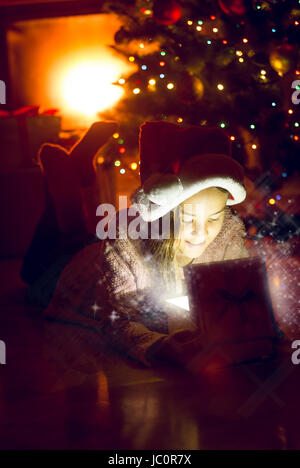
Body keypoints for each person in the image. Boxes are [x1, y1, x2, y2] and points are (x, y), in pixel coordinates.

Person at [21, 120, 250, 369]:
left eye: (214, 217)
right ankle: (62, 194)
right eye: (187, 218)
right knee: (45, 259)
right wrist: (159, 346)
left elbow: (245, 297)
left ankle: (81, 170)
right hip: (72, 274)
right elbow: (115, 320)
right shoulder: (126, 241)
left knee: (82, 236)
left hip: (99, 252)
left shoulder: (228, 235)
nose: (201, 231)